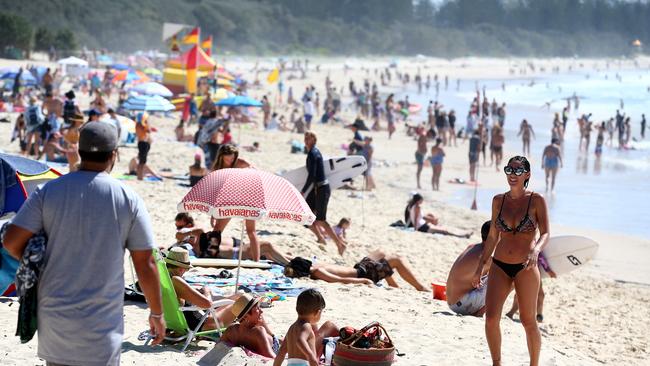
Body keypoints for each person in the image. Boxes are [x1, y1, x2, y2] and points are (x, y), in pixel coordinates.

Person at [3, 122, 165, 365]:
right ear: (114, 155)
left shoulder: (50, 191)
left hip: (55, 316)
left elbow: (11, 241)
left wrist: (38, 264)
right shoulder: (127, 198)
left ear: (80, 152)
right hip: (101, 324)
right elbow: (146, 264)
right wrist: (157, 313)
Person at [472, 156, 550, 366]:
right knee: (491, 318)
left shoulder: (536, 200)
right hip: (499, 265)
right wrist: (480, 266)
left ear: (527, 175)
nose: (512, 175)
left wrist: (536, 250)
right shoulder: (499, 200)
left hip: (526, 266)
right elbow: (492, 238)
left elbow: (545, 234)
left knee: (528, 321)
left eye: (517, 171)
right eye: (509, 170)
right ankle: (497, 363)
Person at [165, 247, 238, 330]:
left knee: (236, 296)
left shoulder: (163, 280)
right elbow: (207, 304)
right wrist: (207, 293)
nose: (185, 272)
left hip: (180, 322)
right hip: (203, 323)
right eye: (187, 269)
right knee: (242, 300)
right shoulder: (176, 281)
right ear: (181, 269)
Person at [173, 213, 290, 264]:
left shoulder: (198, 237)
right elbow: (179, 236)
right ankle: (291, 263)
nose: (178, 229)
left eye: (180, 226)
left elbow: (200, 231)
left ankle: (292, 261)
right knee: (267, 247)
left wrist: (186, 234)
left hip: (236, 250)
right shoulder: (193, 242)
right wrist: (183, 235)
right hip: (237, 252)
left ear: (188, 225)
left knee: (269, 252)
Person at [284, 249, 428, 291]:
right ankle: (420, 287)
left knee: (381, 252)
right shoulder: (317, 272)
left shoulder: (315, 266)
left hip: (360, 267)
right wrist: (364, 281)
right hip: (364, 273)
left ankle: (393, 284)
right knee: (398, 259)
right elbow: (341, 280)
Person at [302, 132, 346, 254]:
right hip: (316, 188)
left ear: (314, 140)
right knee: (305, 216)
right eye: (305, 138)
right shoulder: (313, 152)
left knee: (320, 220)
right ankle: (320, 238)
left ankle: (340, 244)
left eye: (308, 138)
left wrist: (303, 191)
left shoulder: (313, 153)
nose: (306, 140)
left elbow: (312, 175)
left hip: (321, 189)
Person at [274, 289, 338, 366]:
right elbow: (300, 341)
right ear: (317, 312)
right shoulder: (306, 326)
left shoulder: (292, 328)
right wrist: (311, 357)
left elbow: (281, 352)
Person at [446, 221, 492, 316]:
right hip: (462, 304)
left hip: (452, 301)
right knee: (507, 279)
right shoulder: (486, 257)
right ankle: (479, 313)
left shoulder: (472, 247)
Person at [221, 294, 281, 358]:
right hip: (274, 345)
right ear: (246, 317)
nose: (261, 311)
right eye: (257, 309)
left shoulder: (231, 330)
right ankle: (275, 337)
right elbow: (271, 356)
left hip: (261, 341)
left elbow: (219, 345)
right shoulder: (259, 331)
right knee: (283, 341)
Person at [506, 252, 557, 323]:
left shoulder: (535, 246)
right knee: (523, 295)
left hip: (532, 272)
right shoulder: (532, 246)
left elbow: (539, 257)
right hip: (528, 271)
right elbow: (540, 257)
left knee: (539, 295)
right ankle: (511, 313)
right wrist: (548, 270)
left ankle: (539, 315)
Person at [404, 193, 472, 238]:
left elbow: (417, 217)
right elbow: (416, 218)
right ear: (418, 200)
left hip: (423, 225)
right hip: (422, 227)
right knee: (444, 231)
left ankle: (463, 233)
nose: (422, 201)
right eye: (421, 200)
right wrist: (416, 229)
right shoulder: (417, 207)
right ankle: (461, 236)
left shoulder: (412, 206)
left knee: (442, 229)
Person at [135, 112, 156, 181]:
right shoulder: (141, 125)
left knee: (142, 161)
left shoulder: (138, 124)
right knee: (142, 161)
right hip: (143, 143)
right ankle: (140, 176)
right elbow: (148, 131)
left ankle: (140, 176)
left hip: (143, 143)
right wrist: (147, 123)